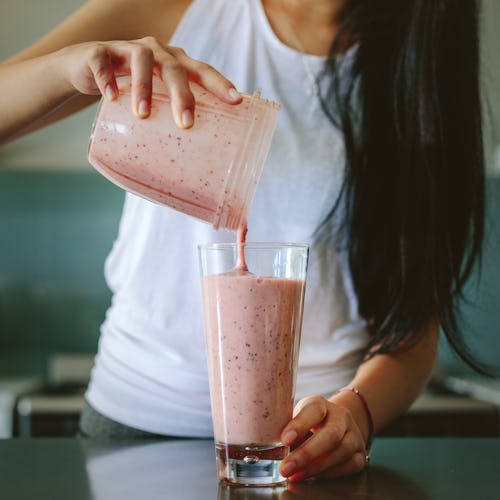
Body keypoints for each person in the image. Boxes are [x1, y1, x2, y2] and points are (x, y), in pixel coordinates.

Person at [0, 0, 487, 482]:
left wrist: (355, 413)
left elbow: (413, 329)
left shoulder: (416, 67)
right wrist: (69, 67)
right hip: (132, 431)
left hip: (302, 450)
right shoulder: (180, 9)